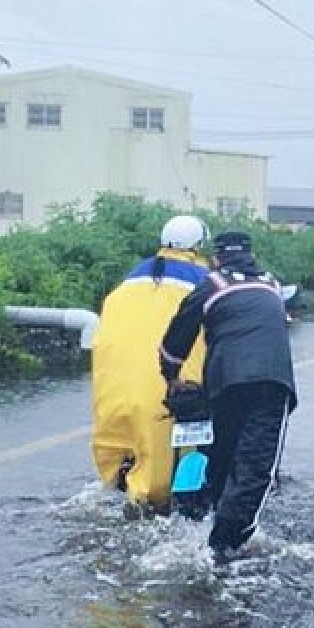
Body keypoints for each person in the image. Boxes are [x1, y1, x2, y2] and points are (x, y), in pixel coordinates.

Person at [158, 231, 297, 562]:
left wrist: (172, 378)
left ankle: (199, 527)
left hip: (223, 384)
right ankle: (226, 546)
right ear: (252, 255)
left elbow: (174, 341)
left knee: (219, 455)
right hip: (272, 384)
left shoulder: (212, 284)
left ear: (216, 258)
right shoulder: (273, 285)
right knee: (256, 467)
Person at [91, 214, 211, 516]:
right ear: (198, 247)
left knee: (119, 462)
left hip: (113, 393)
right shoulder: (203, 286)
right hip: (164, 394)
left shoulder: (125, 286)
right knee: (162, 484)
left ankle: (121, 483)